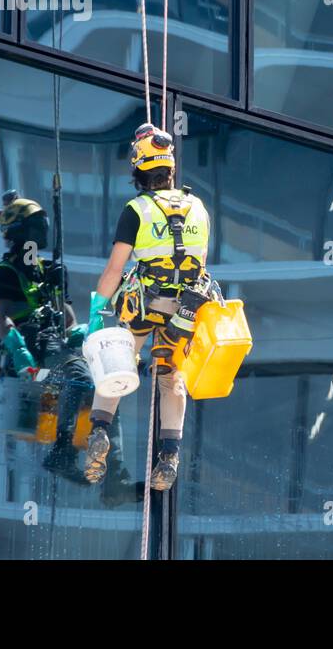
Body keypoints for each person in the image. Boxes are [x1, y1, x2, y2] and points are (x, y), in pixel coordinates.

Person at [83, 123, 218, 492]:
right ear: (171, 168)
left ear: (138, 168)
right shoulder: (198, 208)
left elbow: (114, 270)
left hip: (144, 304)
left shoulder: (136, 210)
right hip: (184, 312)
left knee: (117, 364)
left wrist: (97, 311)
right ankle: (169, 456)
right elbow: (200, 262)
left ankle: (99, 431)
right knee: (172, 379)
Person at [0, 192, 141, 502]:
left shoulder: (47, 271)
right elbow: (4, 321)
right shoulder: (5, 274)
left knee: (108, 390)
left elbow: (68, 322)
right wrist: (23, 357)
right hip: (36, 367)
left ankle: (115, 478)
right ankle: (62, 452)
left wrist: (58, 290)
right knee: (82, 378)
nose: (41, 232)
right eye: (35, 226)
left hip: (57, 355)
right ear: (19, 232)